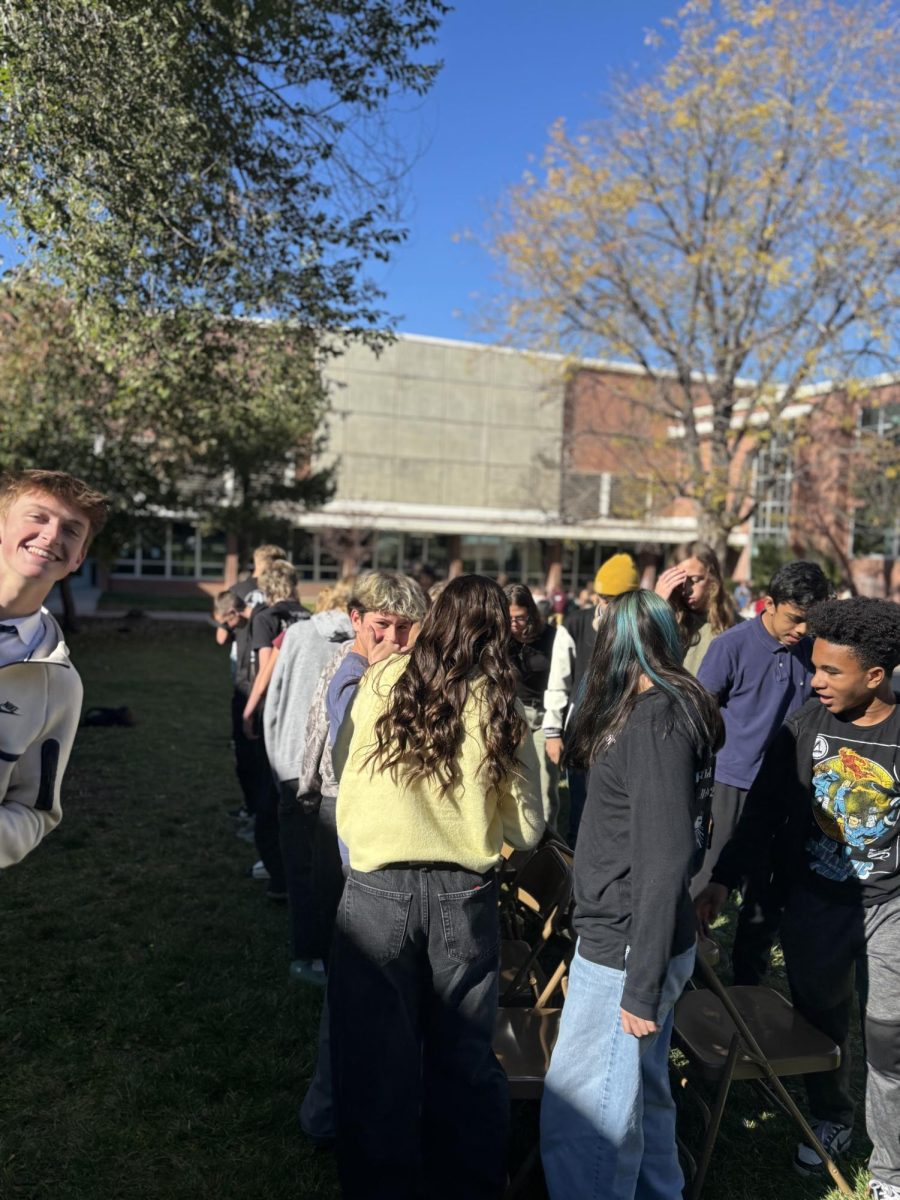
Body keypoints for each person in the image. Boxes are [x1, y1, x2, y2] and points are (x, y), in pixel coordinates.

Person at [328, 575, 545, 1199]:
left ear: (433, 620)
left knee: (374, 1057)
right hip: (462, 893)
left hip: (376, 888)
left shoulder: (378, 681)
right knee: (466, 1057)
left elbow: (347, 770)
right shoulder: (501, 705)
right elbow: (528, 828)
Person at [696, 598, 900, 1197]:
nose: (814, 681)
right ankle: (832, 1116)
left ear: (875, 675)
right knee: (821, 1022)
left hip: (891, 905)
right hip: (817, 901)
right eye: (814, 667)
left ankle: (891, 1165)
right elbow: (761, 812)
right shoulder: (805, 724)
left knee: (888, 1036)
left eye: (830, 672)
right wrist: (722, 879)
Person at [541, 589, 722, 1200]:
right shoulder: (668, 707)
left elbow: (667, 855)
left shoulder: (657, 721)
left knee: (586, 1115)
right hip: (637, 936)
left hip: (626, 947)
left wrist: (641, 984)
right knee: (639, 1095)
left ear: (617, 642)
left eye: (600, 633)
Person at [694, 560, 831, 984]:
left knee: (764, 898)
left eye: (811, 622)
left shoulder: (814, 651)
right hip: (729, 784)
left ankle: (747, 987)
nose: (802, 630)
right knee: (705, 889)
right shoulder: (729, 646)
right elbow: (698, 717)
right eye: (794, 619)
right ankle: (687, 981)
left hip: (787, 795)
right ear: (767, 604)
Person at [0, 469, 107, 866]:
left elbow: (33, 812)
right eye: (38, 517)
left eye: (71, 529)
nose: (51, 536)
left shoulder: (59, 684)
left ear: (78, 557)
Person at [543, 552, 641, 844]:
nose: (605, 606)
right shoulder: (576, 624)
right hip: (583, 734)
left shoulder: (643, 629)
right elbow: (558, 681)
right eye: (602, 597)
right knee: (580, 812)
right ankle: (576, 881)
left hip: (624, 735)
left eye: (614, 599)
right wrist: (552, 731)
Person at [505, 582, 558, 827]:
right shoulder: (501, 639)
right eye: (510, 619)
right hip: (514, 713)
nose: (515, 625)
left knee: (546, 784)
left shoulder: (551, 636)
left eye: (521, 618)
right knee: (516, 782)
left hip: (545, 714)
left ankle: (549, 842)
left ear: (531, 613)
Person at [654, 542, 738, 675]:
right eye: (681, 581)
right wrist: (655, 606)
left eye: (695, 580)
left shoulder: (734, 624)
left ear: (712, 577)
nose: (687, 589)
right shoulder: (669, 617)